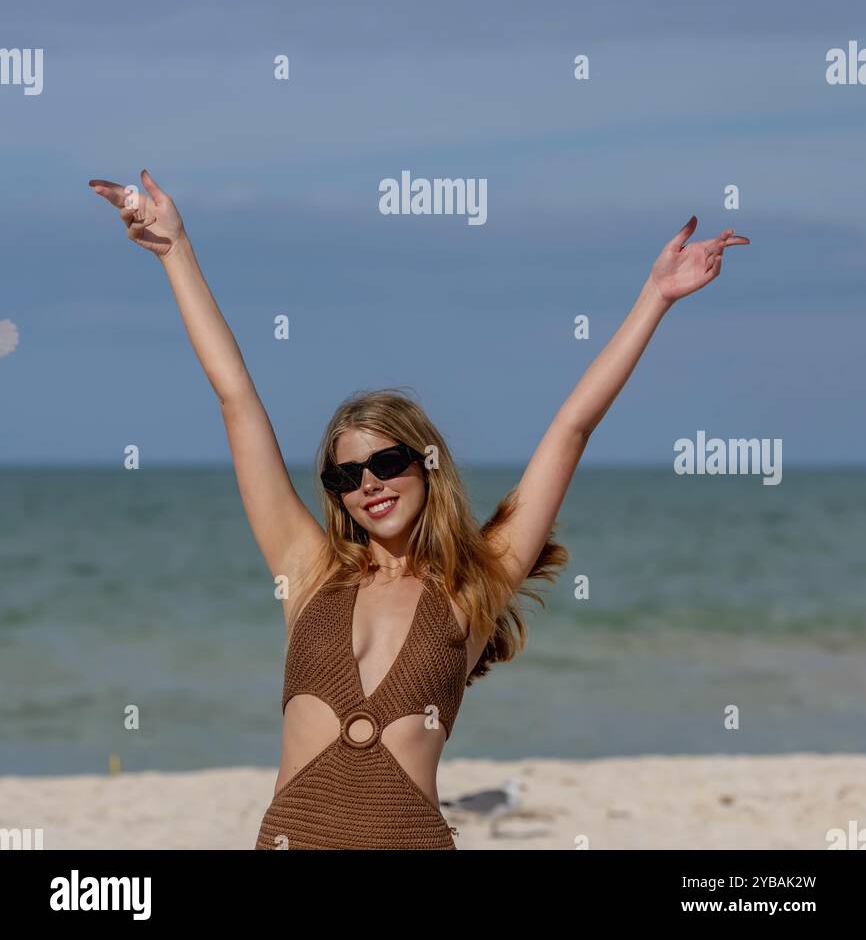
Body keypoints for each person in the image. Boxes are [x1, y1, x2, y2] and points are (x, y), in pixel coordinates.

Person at [88, 169, 749, 849]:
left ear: (427, 465)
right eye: (347, 474)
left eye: (387, 462)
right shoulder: (308, 568)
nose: (368, 483)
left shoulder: (473, 585)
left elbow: (571, 429)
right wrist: (177, 252)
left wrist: (655, 297)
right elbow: (236, 399)